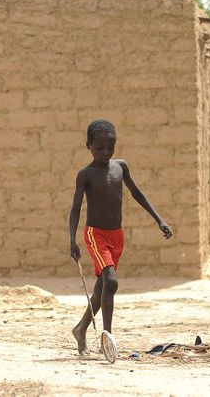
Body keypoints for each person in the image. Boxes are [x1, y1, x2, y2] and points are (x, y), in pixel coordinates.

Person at [70, 119, 173, 356]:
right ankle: (108, 338)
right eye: (99, 148)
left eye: (110, 148)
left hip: (116, 235)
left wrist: (160, 220)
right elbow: (76, 208)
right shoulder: (85, 175)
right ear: (88, 146)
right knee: (112, 281)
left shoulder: (121, 167)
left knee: (101, 289)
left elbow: (137, 193)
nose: (105, 153)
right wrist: (72, 238)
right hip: (95, 235)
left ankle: (81, 328)